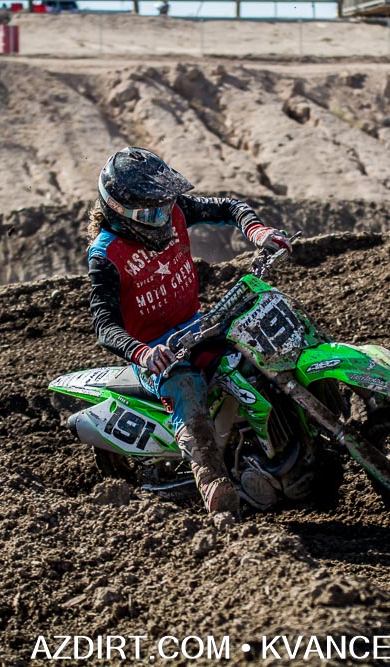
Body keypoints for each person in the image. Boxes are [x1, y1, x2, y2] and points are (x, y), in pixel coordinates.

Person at [86, 147, 291, 517]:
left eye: (165, 206)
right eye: (152, 212)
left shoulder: (173, 209)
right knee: (185, 386)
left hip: (199, 326)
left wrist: (257, 231)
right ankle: (214, 484)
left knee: (257, 348)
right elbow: (104, 325)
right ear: (121, 213)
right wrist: (144, 353)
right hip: (158, 353)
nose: (164, 217)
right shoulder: (106, 256)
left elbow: (228, 206)